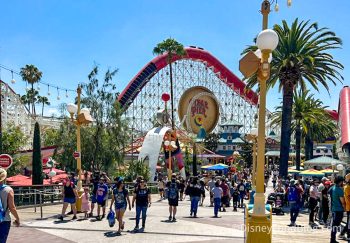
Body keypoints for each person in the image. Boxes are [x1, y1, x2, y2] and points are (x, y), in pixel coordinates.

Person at [0, 168, 20, 243]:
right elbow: (12, 207)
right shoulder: (8, 190)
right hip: (4, 219)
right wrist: (17, 219)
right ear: (4, 177)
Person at [329, 176, 345, 243]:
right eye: (342, 181)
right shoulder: (339, 190)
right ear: (340, 181)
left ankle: (332, 239)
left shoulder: (332, 188)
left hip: (333, 209)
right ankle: (332, 240)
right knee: (335, 225)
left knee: (334, 225)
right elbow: (342, 201)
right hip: (339, 209)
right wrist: (345, 208)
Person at [339, 174, 350, 240]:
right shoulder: (347, 187)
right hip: (349, 207)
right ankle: (348, 235)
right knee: (349, 223)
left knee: (349, 222)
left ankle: (342, 234)